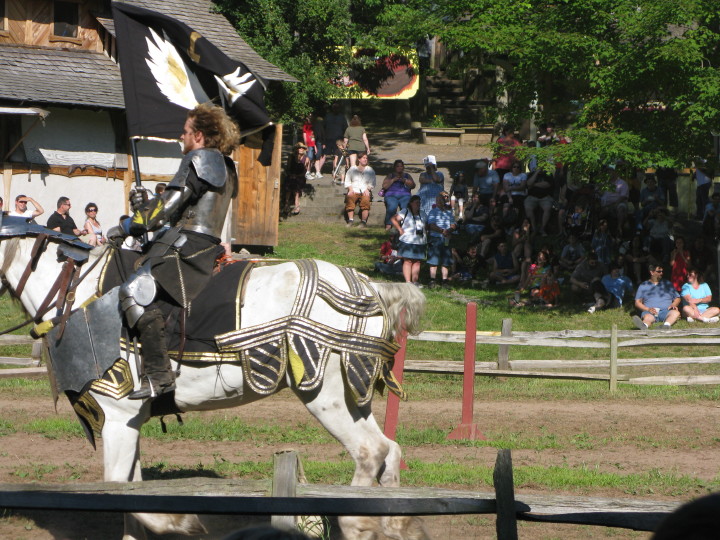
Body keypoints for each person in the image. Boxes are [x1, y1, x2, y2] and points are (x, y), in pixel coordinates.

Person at [111, 103, 240, 399]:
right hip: (204, 243)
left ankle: (158, 375)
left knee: (134, 291)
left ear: (199, 135)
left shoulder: (199, 159)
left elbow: (164, 210)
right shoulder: (226, 164)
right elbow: (176, 209)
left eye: (184, 132)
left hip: (186, 246)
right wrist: (144, 205)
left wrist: (129, 224)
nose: (181, 137)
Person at [390, 195, 427, 287]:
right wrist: (399, 229)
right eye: (416, 203)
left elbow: (426, 225)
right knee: (408, 261)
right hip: (407, 240)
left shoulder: (422, 214)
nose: (418, 204)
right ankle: (408, 281)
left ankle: (415, 281)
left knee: (417, 261)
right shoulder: (405, 212)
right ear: (411, 203)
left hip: (420, 241)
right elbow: (393, 219)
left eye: (419, 203)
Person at [633, 263, 681, 330]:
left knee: (676, 313)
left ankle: (666, 326)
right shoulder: (643, 285)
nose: (661, 273)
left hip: (666, 311)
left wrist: (674, 304)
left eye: (662, 271)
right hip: (650, 311)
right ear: (652, 272)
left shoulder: (667, 284)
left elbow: (677, 298)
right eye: (659, 271)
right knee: (648, 317)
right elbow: (637, 302)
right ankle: (644, 326)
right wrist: (648, 309)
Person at [426, 191, 456, 288]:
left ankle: (444, 281)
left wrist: (450, 230)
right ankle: (432, 280)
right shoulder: (433, 211)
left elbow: (453, 224)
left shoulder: (449, 212)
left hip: (446, 239)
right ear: (437, 200)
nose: (444, 200)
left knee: (446, 261)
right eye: (442, 198)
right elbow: (431, 225)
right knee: (433, 261)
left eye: (446, 197)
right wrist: (442, 231)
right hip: (436, 238)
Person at [380, 159, 415, 230]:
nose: (400, 168)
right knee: (392, 207)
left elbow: (413, 186)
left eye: (401, 166)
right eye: (398, 166)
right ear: (395, 167)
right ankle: (388, 225)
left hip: (405, 195)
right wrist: (393, 180)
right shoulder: (390, 175)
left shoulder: (407, 175)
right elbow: (384, 186)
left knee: (405, 207)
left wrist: (405, 180)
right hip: (391, 195)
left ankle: (405, 225)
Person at [343, 152, 375, 227]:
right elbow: (347, 180)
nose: (365, 159)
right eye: (363, 158)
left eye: (366, 158)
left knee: (366, 200)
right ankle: (350, 220)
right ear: (359, 159)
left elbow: (372, 182)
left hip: (365, 189)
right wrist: (350, 189)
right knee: (350, 197)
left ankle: (363, 222)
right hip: (354, 189)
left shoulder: (370, 170)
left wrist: (368, 189)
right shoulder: (352, 169)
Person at [523, 168, 555, 237]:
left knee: (548, 208)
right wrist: (536, 173)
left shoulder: (548, 174)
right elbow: (528, 184)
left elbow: (547, 184)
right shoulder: (531, 174)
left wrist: (533, 184)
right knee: (528, 208)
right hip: (532, 197)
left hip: (545, 197)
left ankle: (542, 228)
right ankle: (534, 228)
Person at [599, 166, 629, 237]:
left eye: (610, 171)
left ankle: (619, 228)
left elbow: (623, 197)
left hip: (616, 204)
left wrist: (613, 205)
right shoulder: (604, 183)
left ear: (615, 172)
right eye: (607, 172)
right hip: (604, 205)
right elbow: (600, 193)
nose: (608, 173)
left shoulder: (622, 183)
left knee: (621, 207)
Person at [284, 142, 309, 215]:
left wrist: (297, 176)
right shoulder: (291, 157)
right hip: (291, 175)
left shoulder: (306, 159)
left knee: (296, 186)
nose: (301, 149)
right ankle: (286, 203)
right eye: (299, 148)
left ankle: (296, 204)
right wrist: (291, 174)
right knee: (289, 184)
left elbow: (305, 171)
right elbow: (288, 168)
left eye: (302, 148)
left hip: (300, 176)